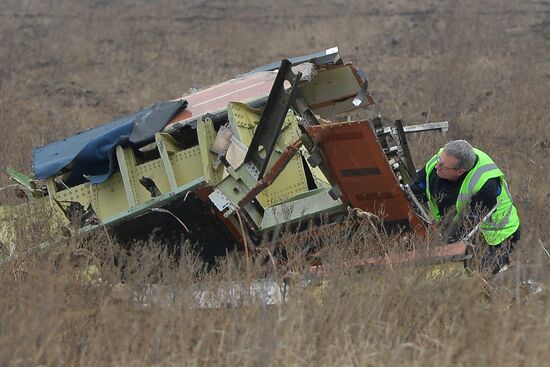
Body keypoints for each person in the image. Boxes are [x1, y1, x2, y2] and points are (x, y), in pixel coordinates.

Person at [409, 140, 520, 274]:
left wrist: (437, 245)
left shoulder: (485, 184)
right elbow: (414, 191)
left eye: (443, 166)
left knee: (479, 276)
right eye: (439, 160)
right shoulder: (440, 161)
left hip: (498, 234)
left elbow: (464, 227)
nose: (437, 166)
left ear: (460, 171)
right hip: (465, 224)